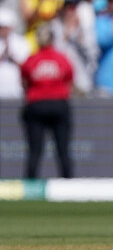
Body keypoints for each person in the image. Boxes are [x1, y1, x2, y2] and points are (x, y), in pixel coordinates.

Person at [20, 22, 74, 179]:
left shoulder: (31, 60)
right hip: (59, 104)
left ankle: (30, 185)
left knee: (35, 150)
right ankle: (68, 184)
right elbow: (70, 81)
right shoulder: (61, 59)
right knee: (63, 150)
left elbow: (24, 83)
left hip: (36, 105)